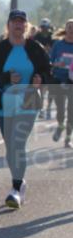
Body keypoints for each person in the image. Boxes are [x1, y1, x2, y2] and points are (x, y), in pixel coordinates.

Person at [0, 9, 52, 209]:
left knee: (17, 143)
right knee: (10, 146)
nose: (18, 25)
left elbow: (48, 70)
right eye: (15, 22)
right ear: (8, 25)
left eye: (22, 22)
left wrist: (41, 79)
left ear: (26, 26)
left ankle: (16, 188)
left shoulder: (35, 48)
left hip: (29, 100)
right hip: (4, 102)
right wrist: (4, 79)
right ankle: (19, 183)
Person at [48, 19, 73, 148]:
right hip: (58, 79)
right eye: (69, 27)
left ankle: (68, 138)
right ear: (65, 29)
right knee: (60, 108)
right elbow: (50, 62)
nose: (71, 29)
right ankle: (60, 125)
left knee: (71, 111)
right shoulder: (58, 45)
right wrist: (58, 64)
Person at [35, 18, 56, 120]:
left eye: (46, 28)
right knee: (41, 90)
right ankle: (41, 110)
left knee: (51, 89)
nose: (44, 30)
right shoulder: (36, 37)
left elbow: (56, 50)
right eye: (43, 27)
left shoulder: (53, 38)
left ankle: (48, 108)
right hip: (40, 66)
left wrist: (50, 50)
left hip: (52, 65)